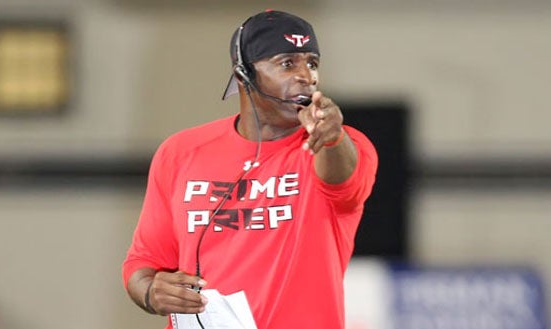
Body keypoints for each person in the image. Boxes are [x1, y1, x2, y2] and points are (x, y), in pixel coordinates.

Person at [123, 9, 378, 329]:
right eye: (287, 63)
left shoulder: (338, 147)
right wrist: (150, 292)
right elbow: (143, 264)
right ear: (243, 73)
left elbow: (341, 179)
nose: (306, 76)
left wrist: (332, 136)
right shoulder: (180, 153)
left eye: (312, 63)